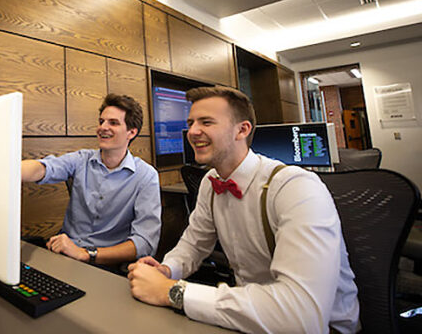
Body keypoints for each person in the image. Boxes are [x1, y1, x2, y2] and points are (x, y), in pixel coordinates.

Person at [127, 86, 359, 333]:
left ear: (242, 129)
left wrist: (172, 291)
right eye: (191, 122)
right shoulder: (210, 182)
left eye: (206, 122)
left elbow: (302, 317)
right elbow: (194, 245)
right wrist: (167, 269)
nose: (192, 132)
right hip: (248, 316)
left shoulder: (295, 187)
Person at [21, 93, 161, 267]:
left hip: (107, 264)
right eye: (101, 121)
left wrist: (86, 254)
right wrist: (8, 171)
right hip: (65, 254)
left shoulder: (146, 176)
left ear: (131, 132)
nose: (103, 127)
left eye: (113, 123)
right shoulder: (81, 159)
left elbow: (145, 243)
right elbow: (44, 168)